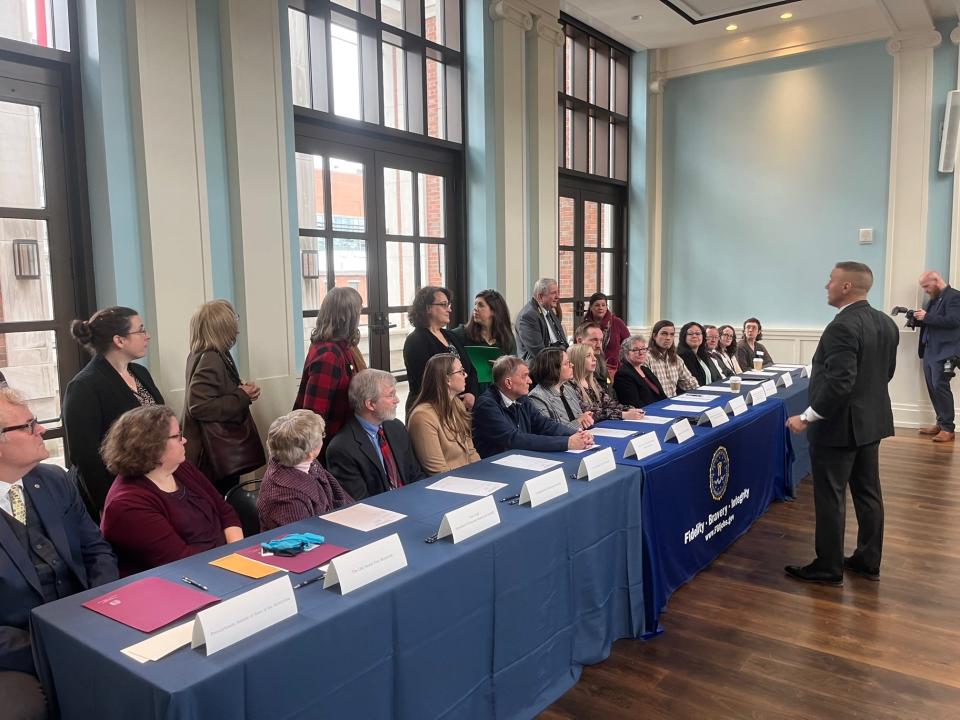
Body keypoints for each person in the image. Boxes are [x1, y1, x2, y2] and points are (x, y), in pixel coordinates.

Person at [0, 387, 117, 720]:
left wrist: (104, 607)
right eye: (28, 425)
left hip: (88, 623)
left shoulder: (55, 480)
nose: (42, 430)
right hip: (21, 653)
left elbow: (97, 551)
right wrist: (51, 648)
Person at [785, 262, 898, 586]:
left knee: (831, 496)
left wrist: (806, 417)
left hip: (838, 429)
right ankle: (867, 560)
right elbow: (884, 374)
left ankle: (828, 566)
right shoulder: (886, 323)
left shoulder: (841, 326)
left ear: (847, 286)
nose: (827, 286)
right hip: (870, 423)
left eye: (832, 280)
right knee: (868, 493)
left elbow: (838, 383)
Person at [100, 405, 243, 577]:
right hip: (181, 583)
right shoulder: (127, 504)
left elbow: (226, 512)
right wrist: (234, 565)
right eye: (177, 436)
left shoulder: (182, 469)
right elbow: (181, 562)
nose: (184, 440)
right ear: (152, 446)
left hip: (223, 566)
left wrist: (238, 557)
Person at [62, 306, 164, 517]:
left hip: (154, 481)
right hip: (119, 492)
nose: (148, 336)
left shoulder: (140, 373)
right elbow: (85, 457)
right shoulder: (84, 386)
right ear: (119, 340)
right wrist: (106, 503)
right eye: (141, 330)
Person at [182, 299, 264, 495]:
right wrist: (241, 395)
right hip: (211, 453)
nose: (236, 325)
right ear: (222, 327)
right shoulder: (212, 358)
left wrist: (239, 390)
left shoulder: (199, 353)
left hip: (206, 450)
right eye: (233, 319)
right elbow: (199, 406)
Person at [325, 370, 426, 500]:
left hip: (414, 503)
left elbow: (415, 475)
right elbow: (360, 503)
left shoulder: (396, 427)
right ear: (370, 404)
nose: (397, 400)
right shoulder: (342, 449)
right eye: (391, 395)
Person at [471, 355, 594, 458]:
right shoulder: (487, 406)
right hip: (496, 466)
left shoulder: (522, 398)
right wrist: (567, 443)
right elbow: (514, 439)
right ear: (508, 382)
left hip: (521, 459)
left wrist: (576, 434)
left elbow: (543, 424)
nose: (530, 381)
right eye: (525, 376)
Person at [294, 287, 367, 447]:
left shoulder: (342, 348)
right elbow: (314, 416)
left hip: (342, 439)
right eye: (359, 312)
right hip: (329, 446)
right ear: (348, 317)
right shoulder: (329, 355)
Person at [257, 410, 352, 532]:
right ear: (311, 451)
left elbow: (339, 497)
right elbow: (304, 540)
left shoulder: (307, 461)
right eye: (322, 435)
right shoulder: (285, 497)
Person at [402, 286, 479, 414]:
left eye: (449, 304)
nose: (449, 309)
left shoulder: (451, 335)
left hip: (461, 409)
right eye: (443, 304)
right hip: (432, 411)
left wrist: (472, 394)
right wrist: (456, 401)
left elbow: (470, 370)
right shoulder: (415, 341)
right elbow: (428, 382)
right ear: (428, 308)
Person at [407, 355, 482, 473]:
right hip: (447, 484)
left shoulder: (457, 404)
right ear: (447, 379)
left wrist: (483, 475)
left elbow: (471, 451)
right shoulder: (422, 416)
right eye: (461, 371)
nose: (466, 375)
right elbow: (437, 470)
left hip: (470, 479)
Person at [914, 270, 960, 442]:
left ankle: (948, 428)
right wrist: (918, 318)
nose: (925, 290)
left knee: (940, 386)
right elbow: (932, 320)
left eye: (926, 286)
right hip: (930, 349)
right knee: (933, 388)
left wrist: (927, 317)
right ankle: (941, 423)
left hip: (946, 350)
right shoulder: (934, 299)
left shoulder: (955, 297)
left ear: (936, 280)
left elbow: (954, 321)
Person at [568, 343, 644, 421]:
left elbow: (608, 403)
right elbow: (590, 413)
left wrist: (628, 409)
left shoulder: (592, 381)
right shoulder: (569, 385)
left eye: (593, 355)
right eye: (588, 356)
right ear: (577, 360)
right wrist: (622, 414)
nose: (595, 359)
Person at [527, 348, 593, 430]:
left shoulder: (568, 389)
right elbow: (548, 431)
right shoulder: (536, 398)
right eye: (566, 363)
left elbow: (580, 419)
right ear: (553, 369)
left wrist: (585, 419)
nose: (572, 365)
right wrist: (578, 422)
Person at [515, 278, 568, 363]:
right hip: (537, 367)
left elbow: (563, 341)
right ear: (540, 296)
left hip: (553, 361)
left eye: (558, 292)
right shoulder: (528, 316)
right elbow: (539, 353)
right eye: (553, 293)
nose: (558, 297)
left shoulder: (549, 310)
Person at [451, 289, 516, 355]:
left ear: (494, 311)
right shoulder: (461, 334)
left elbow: (514, 364)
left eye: (481, 305)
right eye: (475, 304)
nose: (475, 308)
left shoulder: (507, 338)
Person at [645, 320, 699, 397]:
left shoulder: (676, 359)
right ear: (654, 336)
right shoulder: (646, 358)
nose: (668, 338)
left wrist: (701, 394)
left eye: (672, 334)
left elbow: (689, 383)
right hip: (655, 403)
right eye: (664, 334)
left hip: (673, 403)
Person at [582, 292, 631, 376]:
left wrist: (623, 363)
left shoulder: (617, 322)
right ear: (590, 307)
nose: (600, 308)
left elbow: (629, 344)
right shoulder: (584, 326)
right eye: (597, 305)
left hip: (615, 369)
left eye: (603, 305)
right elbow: (579, 347)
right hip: (591, 368)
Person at [612, 337, 668, 408]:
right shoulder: (623, 374)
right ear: (626, 353)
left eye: (643, 349)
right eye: (635, 350)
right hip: (646, 414)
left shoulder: (645, 369)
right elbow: (634, 404)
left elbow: (662, 395)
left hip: (661, 409)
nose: (641, 353)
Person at [677, 321, 723, 386]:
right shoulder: (683, 356)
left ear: (703, 336)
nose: (694, 336)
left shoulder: (702, 354)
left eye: (698, 334)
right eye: (690, 334)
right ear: (684, 337)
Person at [574, 322, 612, 391]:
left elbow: (610, 390)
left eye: (601, 340)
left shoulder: (600, 360)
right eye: (594, 340)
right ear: (579, 341)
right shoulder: (572, 366)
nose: (599, 345)